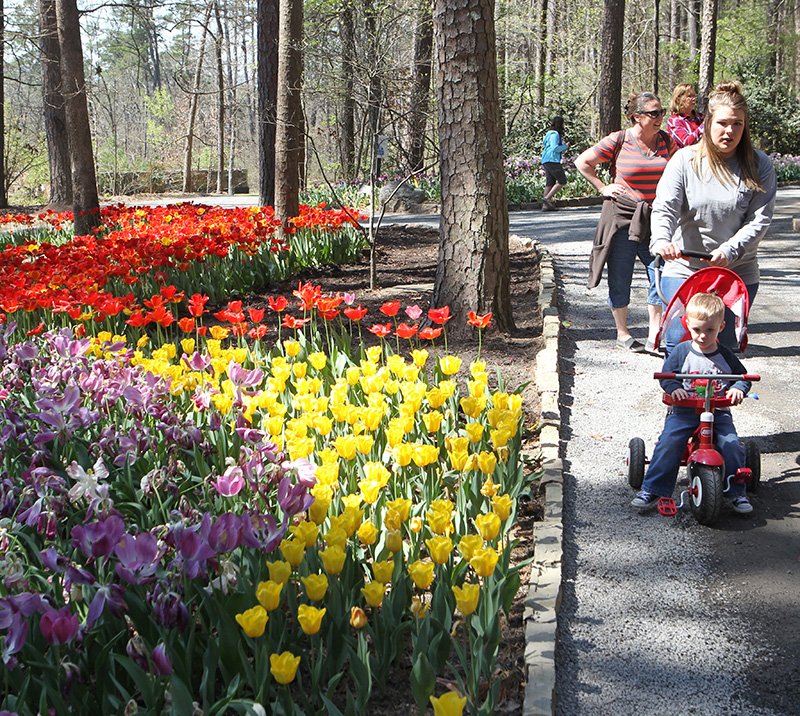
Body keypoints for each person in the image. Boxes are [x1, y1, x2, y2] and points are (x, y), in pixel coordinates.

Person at [651, 81, 777, 355]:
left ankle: (717, 397)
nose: (729, 131)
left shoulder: (759, 165)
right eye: (722, 123)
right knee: (678, 344)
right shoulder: (685, 160)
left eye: (737, 124)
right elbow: (665, 207)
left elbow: (760, 219)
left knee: (723, 350)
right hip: (685, 267)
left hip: (735, 273)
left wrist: (730, 250)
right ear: (707, 122)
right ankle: (679, 397)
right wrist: (662, 240)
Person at [631, 292, 753, 514]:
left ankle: (736, 492)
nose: (703, 336)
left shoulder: (725, 355)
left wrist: (737, 387)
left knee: (731, 444)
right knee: (670, 441)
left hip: (718, 411)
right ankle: (653, 487)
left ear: (721, 327)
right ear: (687, 324)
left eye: (710, 330)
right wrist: (674, 387)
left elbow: (741, 377)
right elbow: (667, 375)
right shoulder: (681, 351)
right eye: (697, 330)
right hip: (684, 409)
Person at [576, 91, 675, 353]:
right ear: (637, 117)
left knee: (660, 274)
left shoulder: (666, 141)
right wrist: (602, 187)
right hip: (622, 218)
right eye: (654, 113)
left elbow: (680, 170)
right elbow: (583, 162)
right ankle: (623, 332)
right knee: (621, 276)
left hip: (656, 219)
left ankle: (655, 332)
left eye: (661, 112)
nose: (660, 118)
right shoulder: (618, 140)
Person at [541, 116, 569, 211]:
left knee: (550, 182)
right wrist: (565, 146)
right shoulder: (554, 134)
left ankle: (545, 206)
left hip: (546, 160)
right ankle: (547, 199)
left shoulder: (548, 134)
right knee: (562, 181)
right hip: (552, 160)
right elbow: (554, 148)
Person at [666, 84, 704, 148]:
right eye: (689, 96)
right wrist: (704, 126)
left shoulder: (700, 117)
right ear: (678, 99)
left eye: (694, 96)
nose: (694, 99)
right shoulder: (674, 121)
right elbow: (686, 142)